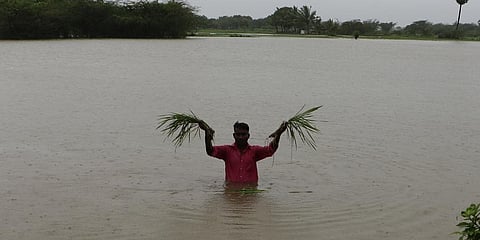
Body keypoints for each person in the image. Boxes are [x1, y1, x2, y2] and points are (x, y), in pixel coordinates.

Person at [199, 121, 287, 187]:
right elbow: (210, 151)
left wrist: (279, 133)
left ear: (248, 135)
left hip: (251, 191)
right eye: (238, 134)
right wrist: (207, 132)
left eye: (243, 134)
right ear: (234, 135)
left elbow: (271, 149)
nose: (240, 137)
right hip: (231, 192)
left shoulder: (254, 151)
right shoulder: (227, 151)